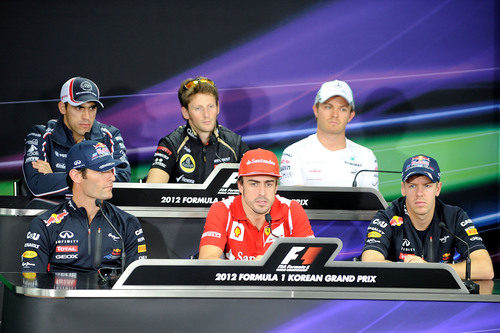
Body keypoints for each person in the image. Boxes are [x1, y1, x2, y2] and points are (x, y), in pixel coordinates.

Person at [21, 140, 147, 273]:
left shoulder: (128, 223)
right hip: (63, 294)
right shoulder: (45, 224)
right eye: (102, 171)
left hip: (111, 294)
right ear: (76, 176)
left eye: (111, 170)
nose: (112, 177)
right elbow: (33, 284)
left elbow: (137, 282)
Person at [361, 154, 494, 280]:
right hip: (397, 296)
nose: (420, 193)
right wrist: (413, 270)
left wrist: (430, 269)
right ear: (403, 189)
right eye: (412, 186)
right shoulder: (387, 217)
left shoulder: (454, 217)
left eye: (427, 186)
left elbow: (485, 269)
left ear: (438, 188)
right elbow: (369, 262)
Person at [23, 77, 131, 197]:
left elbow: (121, 182)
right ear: (62, 107)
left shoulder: (109, 135)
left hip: (97, 213)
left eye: (92, 108)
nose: (87, 116)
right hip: (53, 213)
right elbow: (37, 185)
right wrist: (97, 177)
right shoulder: (41, 134)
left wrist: (55, 177)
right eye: (79, 108)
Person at [199, 148, 314, 260]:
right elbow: (207, 260)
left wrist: (267, 266)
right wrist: (255, 269)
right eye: (254, 184)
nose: (262, 193)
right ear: (241, 186)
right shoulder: (223, 209)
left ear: (276, 187)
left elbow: (312, 261)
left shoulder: (291, 209)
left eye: (268, 184)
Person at [146, 77, 249, 184]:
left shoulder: (235, 144)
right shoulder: (171, 144)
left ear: (218, 108)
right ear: (185, 112)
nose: (206, 114)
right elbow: (153, 189)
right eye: (198, 108)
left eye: (210, 106)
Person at [280, 80, 378, 189]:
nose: (335, 114)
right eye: (328, 107)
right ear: (316, 110)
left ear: (351, 115)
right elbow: (294, 202)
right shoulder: (294, 153)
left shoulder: (366, 156)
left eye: (342, 109)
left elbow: (370, 205)